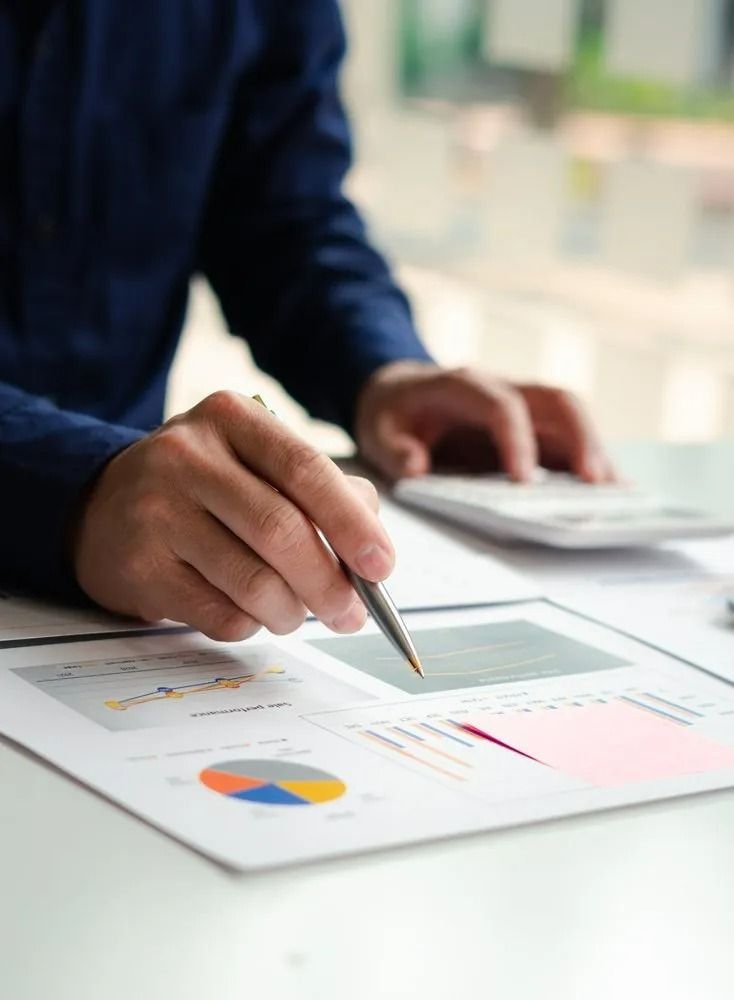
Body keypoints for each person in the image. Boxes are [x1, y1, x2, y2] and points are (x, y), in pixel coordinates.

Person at [0, 0, 612, 641]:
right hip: (111, 536)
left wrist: (382, 370)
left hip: (135, 583)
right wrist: (76, 484)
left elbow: (285, 215)